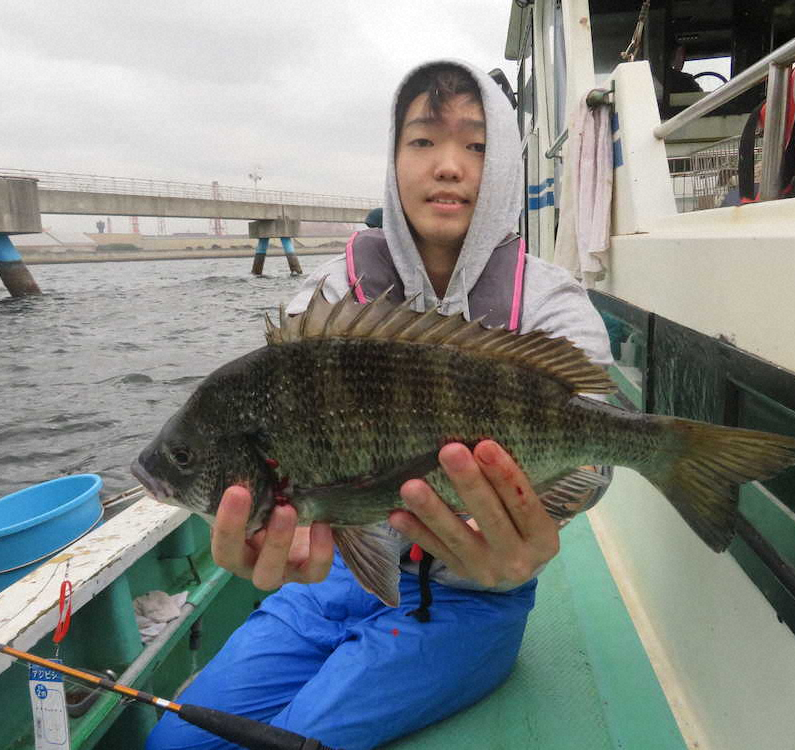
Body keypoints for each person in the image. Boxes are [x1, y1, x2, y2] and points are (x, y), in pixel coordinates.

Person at [146, 59, 612, 750]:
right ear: (392, 161)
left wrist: (547, 516)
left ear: (507, 163)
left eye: (476, 144)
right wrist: (280, 541)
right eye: (423, 140)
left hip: (471, 597)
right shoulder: (326, 304)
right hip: (328, 579)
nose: (448, 165)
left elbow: (594, 453)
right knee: (174, 743)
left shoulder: (553, 304)